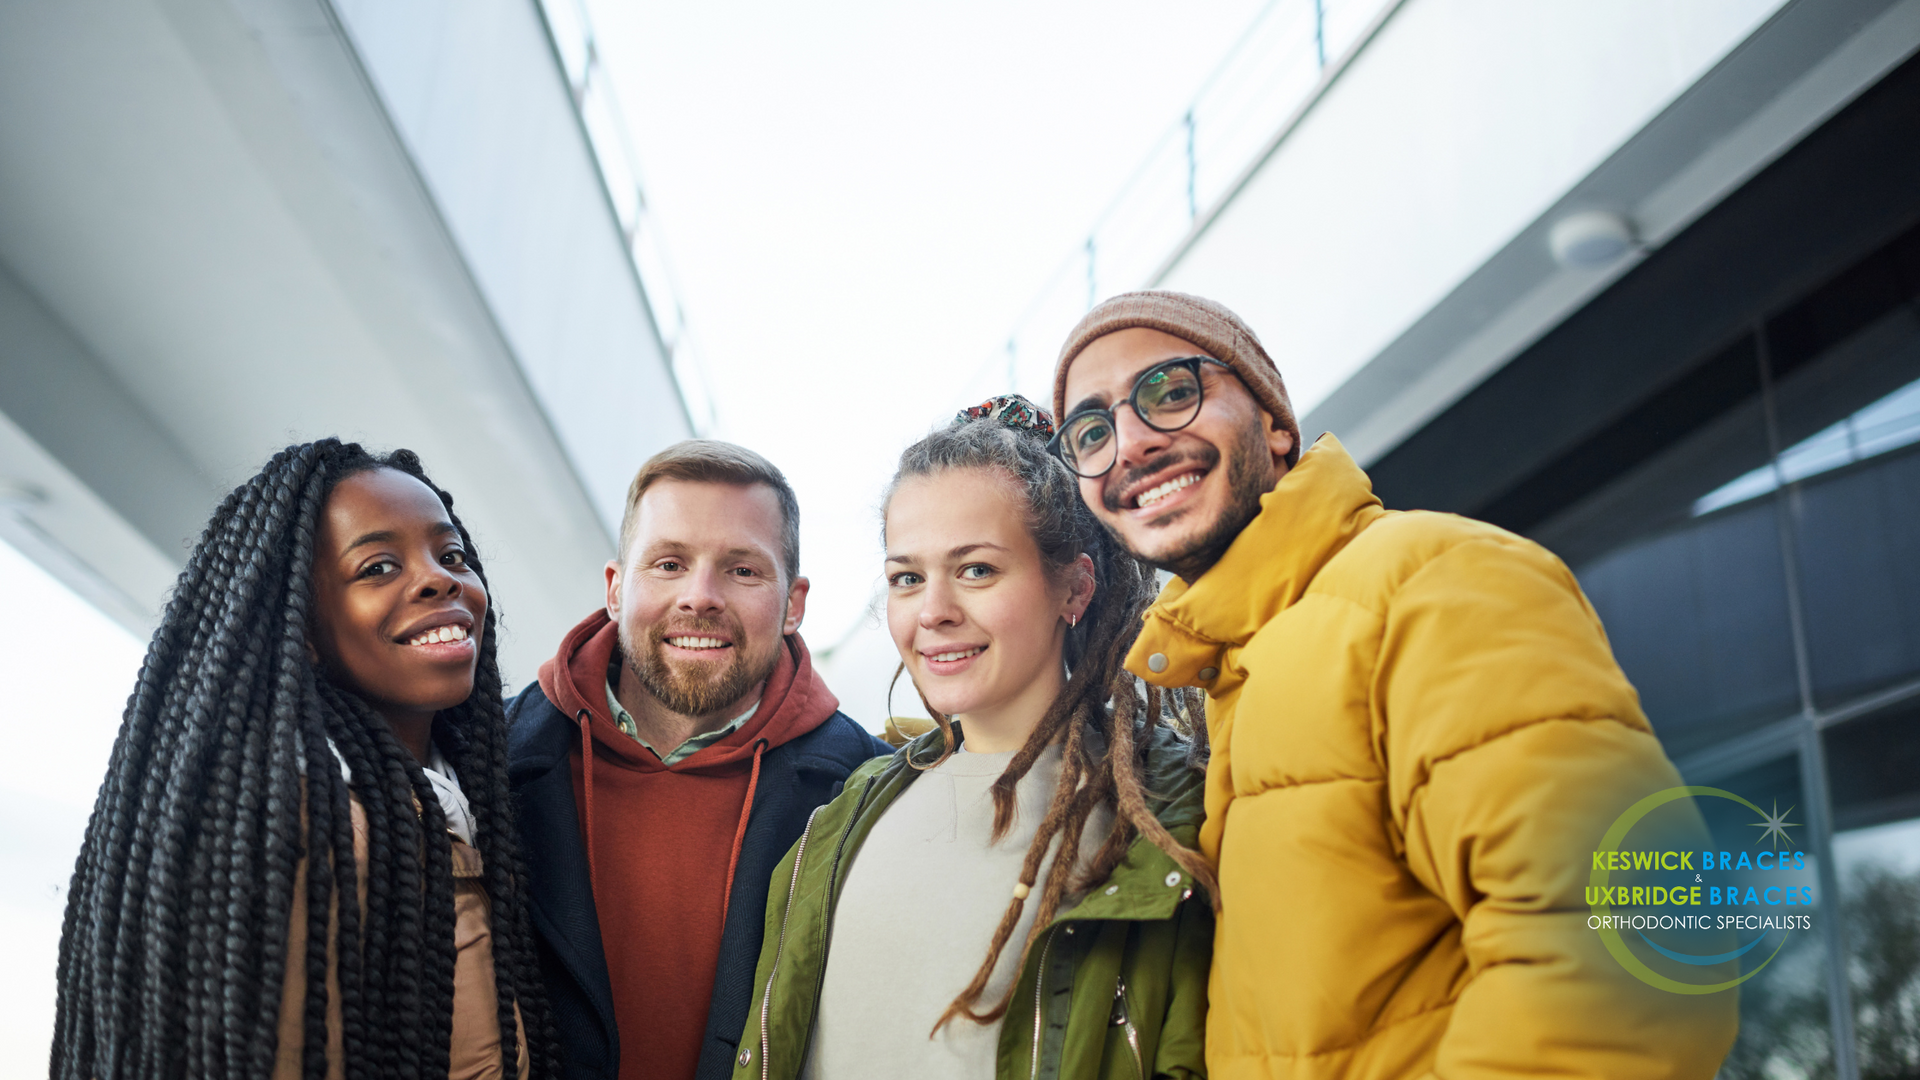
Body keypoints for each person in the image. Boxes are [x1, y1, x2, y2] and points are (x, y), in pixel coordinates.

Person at [1048, 291, 1739, 1080]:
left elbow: (1637, 964)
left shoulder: (1431, 582)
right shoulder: (1234, 680)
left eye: (1171, 392)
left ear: (1276, 424)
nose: (1131, 444)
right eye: (1093, 431)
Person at [736, 396, 1213, 1080]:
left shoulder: (1169, 817)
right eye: (907, 577)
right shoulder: (840, 820)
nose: (933, 612)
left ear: (1074, 588)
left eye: (976, 570)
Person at [54, 439, 550, 1080]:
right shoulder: (305, 829)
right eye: (377, 568)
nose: (439, 577)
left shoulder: (467, 800)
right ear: (303, 629)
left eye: (450, 554)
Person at [506, 441, 886, 1080]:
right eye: (668, 563)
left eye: (742, 570)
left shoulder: (869, 793)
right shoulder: (489, 760)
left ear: (793, 604)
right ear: (616, 589)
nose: (700, 597)